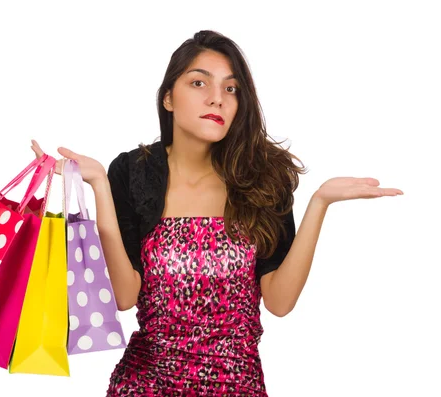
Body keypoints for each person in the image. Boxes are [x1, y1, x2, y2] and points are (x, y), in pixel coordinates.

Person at [31, 30, 402, 397]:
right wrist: (98, 185)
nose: (217, 99)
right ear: (169, 99)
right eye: (198, 83)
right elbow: (125, 296)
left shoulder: (263, 177)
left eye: (231, 89)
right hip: (145, 384)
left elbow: (279, 301)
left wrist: (319, 203)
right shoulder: (132, 172)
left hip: (237, 384)